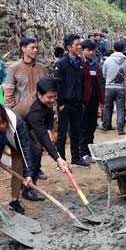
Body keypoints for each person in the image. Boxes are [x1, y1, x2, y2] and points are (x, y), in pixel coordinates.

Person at [25, 78, 69, 190]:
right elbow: (42, 136)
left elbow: (49, 116)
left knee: (37, 152)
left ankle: (30, 184)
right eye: (49, 97)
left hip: (33, 129)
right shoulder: (35, 110)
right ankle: (27, 188)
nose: (53, 100)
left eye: (55, 96)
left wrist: (49, 129)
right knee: (34, 154)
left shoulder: (46, 104)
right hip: (21, 131)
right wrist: (57, 158)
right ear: (39, 95)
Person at [53, 34, 88, 168]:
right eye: (77, 45)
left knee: (76, 132)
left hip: (78, 103)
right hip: (65, 104)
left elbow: (83, 82)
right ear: (69, 47)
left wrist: (83, 100)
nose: (79, 47)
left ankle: (76, 158)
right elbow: (58, 85)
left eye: (80, 44)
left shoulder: (80, 62)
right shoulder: (61, 64)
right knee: (62, 134)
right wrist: (60, 103)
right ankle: (61, 160)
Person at [4, 38, 48, 118]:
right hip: (20, 114)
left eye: (37, 48)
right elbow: (8, 93)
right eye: (32, 48)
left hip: (40, 113)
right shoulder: (14, 68)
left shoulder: (42, 68)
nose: (35, 50)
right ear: (23, 48)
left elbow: (47, 90)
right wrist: (13, 110)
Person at [79, 39, 105, 163]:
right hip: (84, 101)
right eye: (88, 50)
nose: (90, 53)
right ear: (83, 50)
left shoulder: (95, 64)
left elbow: (99, 83)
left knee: (92, 126)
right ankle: (83, 153)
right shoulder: (80, 64)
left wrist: (102, 100)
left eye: (92, 50)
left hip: (94, 101)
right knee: (83, 127)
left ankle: (89, 149)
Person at [101, 41, 126, 136]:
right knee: (121, 108)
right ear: (123, 49)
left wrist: (109, 79)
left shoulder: (108, 60)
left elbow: (104, 73)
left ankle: (106, 125)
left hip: (109, 87)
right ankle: (120, 129)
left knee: (108, 106)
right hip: (121, 88)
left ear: (114, 48)